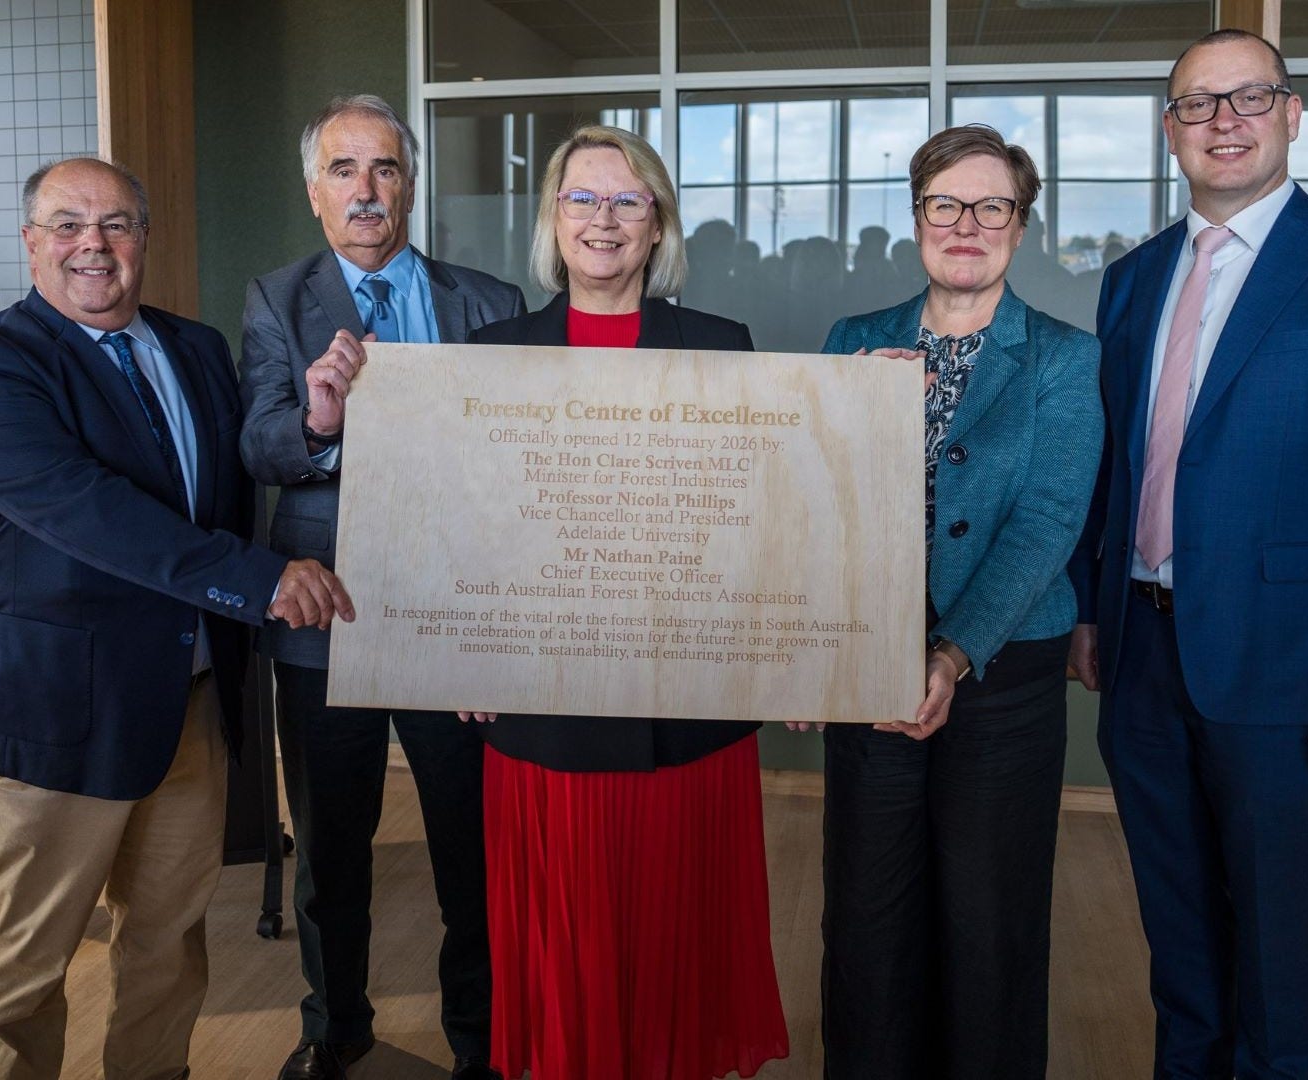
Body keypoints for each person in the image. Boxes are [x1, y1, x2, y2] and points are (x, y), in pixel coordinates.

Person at [1067, 31, 1308, 1079]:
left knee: (1278, 940)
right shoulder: (1134, 279)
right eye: (1199, 104)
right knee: (1177, 929)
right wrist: (1091, 608)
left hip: (1293, 669)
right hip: (1142, 657)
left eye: (1250, 97)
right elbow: (1118, 465)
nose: (1224, 120)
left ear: (1292, 116)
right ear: (1171, 132)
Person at [0, 156, 353, 1080]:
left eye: (117, 223)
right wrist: (263, 578)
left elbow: (242, 478)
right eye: (69, 224)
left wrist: (317, 425)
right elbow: (90, 512)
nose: (95, 244)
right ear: (31, 241)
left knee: (168, 945)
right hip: (55, 713)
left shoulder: (197, 348)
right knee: (28, 961)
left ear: (145, 238)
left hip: (191, 703)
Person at [463, 124, 790, 1080]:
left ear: (658, 227)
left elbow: (759, 524)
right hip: (543, 710)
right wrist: (463, 652)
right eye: (581, 199)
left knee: (678, 926)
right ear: (552, 222)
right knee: (572, 941)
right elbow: (468, 528)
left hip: (688, 713)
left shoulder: (723, 348)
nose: (602, 221)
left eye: (626, 201)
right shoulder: (492, 353)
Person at [235, 94, 524, 1080]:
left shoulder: (487, 299)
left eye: (387, 168)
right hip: (328, 615)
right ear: (315, 190)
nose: (367, 189)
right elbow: (259, 447)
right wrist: (318, 422)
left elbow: (525, 457)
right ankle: (335, 1027)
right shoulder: (277, 299)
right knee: (330, 848)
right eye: (346, 170)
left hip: (461, 618)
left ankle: (481, 1044)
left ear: (410, 184)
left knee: (471, 854)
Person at [807, 124, 1103, 1079]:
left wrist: (952, 653)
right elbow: (810, 498)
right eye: (946, 204)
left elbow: (1051, 519)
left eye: (992, 207)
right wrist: (854, 415)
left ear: (1021, 228)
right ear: (917, 218)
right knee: (867, 914)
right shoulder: (856, 342)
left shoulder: (1065, 356)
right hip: (870, 665)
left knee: (990, 920)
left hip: (1005, 673)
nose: (966, 224)